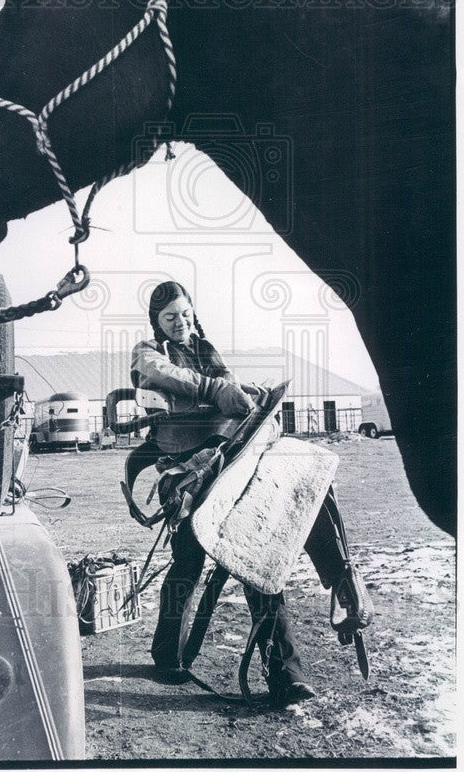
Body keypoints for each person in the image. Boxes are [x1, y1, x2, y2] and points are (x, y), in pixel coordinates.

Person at [130, 280, 372, 707]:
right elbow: (156, 373)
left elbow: (229, 390)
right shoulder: (148, 352)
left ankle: (286, 673)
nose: (180, 323)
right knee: (188, 560)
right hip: (186, 470)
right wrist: (211, 390)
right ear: (157, 321)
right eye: (170, 318)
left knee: (257, 552)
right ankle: (168, 654)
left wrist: (241, 394)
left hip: (230, 459)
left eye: (185, 314)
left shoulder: (208, 350)